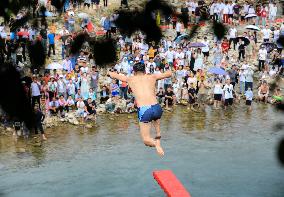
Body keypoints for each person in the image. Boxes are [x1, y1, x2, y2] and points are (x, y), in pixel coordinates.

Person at [108, 62, 172, 156]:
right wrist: (169, 69)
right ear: (145, 70)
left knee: (146, 140)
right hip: (157, 107)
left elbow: (114, 75)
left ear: (134, 71)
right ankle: (158, 134)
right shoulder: (152, 77)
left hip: (145, 110)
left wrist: (108, 73)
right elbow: (169, 73)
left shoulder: (130, 79)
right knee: (156, 118)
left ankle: (156, 144)